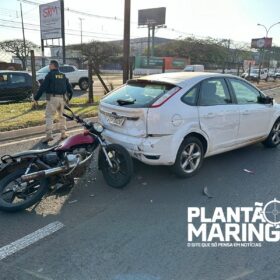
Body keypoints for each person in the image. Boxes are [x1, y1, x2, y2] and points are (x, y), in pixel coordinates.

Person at [34, 60, 73, 144]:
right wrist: (68, 99)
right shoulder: (63, 76)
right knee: (62, 116)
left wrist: (36, 98)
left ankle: (49, 135)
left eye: (50, 64)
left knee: (49, 116)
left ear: (53, 65)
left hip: (52, 98)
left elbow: (42, 87)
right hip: (62, 99)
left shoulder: (50, 75)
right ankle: (63, 133)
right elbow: (70, 90)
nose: (49, 66)